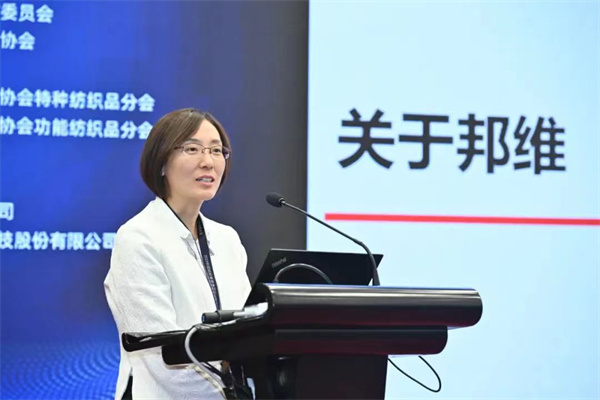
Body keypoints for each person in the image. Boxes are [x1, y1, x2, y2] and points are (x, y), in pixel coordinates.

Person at [104, 108, 251, 399]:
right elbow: (161, 355)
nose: (208, 161)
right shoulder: (138, 237)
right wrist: (228, 394)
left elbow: (248, 330)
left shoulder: (228, 239)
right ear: (161, 163)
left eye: (216, 150)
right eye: (192, 149)